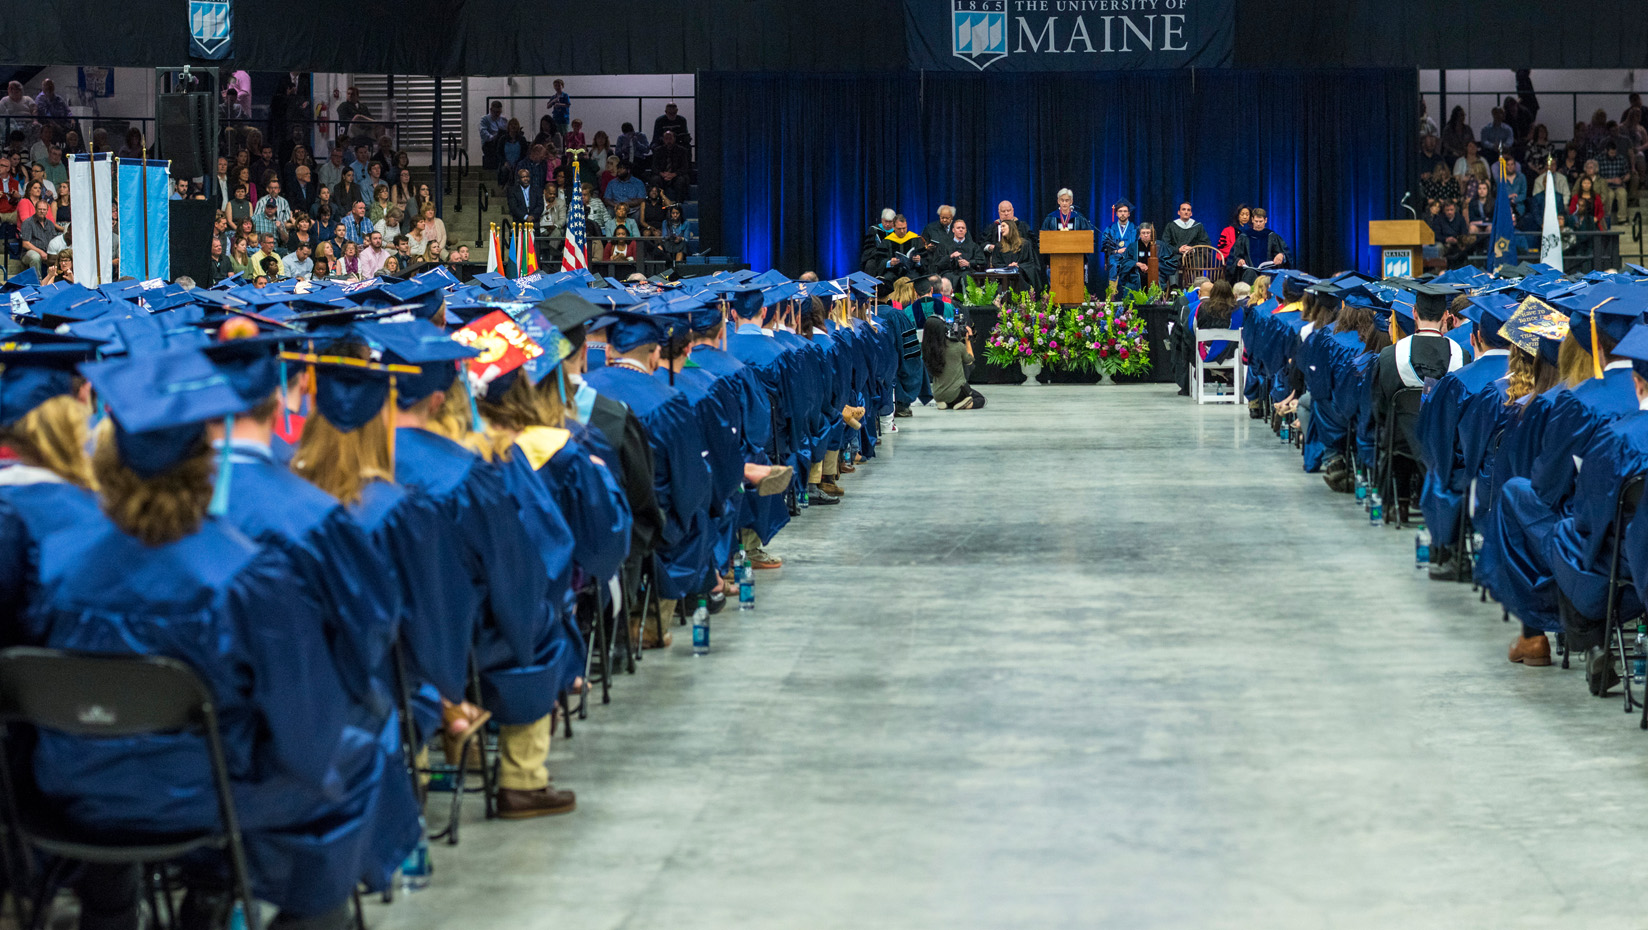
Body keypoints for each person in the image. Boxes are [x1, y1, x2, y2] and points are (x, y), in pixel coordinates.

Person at [922, 315, 982, 410]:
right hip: (956, 392)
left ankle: (943, 403)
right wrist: (968, 340)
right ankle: (962, 404)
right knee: (980, 399)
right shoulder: (957, 346)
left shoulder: (927, 350)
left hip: (937, 394)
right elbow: (970, 360)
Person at [1228, 208, 1291, 284]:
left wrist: (1281, 255)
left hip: (1267, 270)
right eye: (1256, 221)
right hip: (1249, 270)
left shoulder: (1272, 236)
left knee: (1267, 275)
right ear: (1252, 220)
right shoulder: (1244, 236)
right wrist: (1239, 260)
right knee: (1250, 273)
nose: (1258, 224)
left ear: (1265, 220)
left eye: (1260, 221)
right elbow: (1235, 255)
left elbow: (1285, 254)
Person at [1161, 201, 1210, 285]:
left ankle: (1196, 286)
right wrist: (1178, 249)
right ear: (1178, 212)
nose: (1186, 212)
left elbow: (1206, 243)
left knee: (1198, 260)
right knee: (1172, 260)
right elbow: (1165, 244)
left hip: (1194, 255)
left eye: (1188, 210)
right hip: (1176, 254)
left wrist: (1193, 249)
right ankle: (1174, 287)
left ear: (1191, 213)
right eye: (1183, 209)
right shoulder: (1171, 226)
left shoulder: (1198, 226)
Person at [935, 218, 984, 293]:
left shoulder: (973, 246)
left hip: (967, 272)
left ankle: (967, 299)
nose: (961, 230)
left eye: (963, 228)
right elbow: (938, 263)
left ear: (966, 231)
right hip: (949, 272)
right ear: (953, 230)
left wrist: (969, 263)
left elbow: (982, 261)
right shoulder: (944, 245)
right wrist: (950, 257)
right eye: (958, 228)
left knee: (966, 276)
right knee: (947, 277)